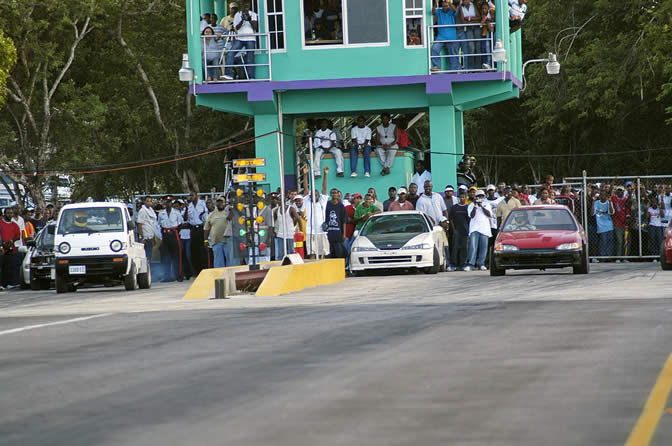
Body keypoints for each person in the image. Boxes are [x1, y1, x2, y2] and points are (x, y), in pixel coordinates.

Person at [223, 1, 258, 80]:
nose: (246, 5)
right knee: (231, 54)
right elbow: (237, 28)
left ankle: (251, 77)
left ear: (250, 5)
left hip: (250, 39)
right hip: (240, 38)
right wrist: (242, 20)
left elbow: (255, 27)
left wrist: (249, 19)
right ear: (242, 6)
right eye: (244, 4)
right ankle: (228, 74)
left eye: (247, 4)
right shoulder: (238, 14)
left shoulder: (253, 14)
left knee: (250, 58)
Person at [302, 165, 330, 259]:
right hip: (310, 232)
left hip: (321, 231)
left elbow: (324, 189)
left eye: (317, 195)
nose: (315, 196)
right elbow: (306, 189)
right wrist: (305, 175)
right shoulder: (307, 201)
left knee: (322, 252)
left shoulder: (322, 202)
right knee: (312, 253)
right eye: (313, 194)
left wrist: (325, 175)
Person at [158, 197, 185, 282]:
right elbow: (159, 224)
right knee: (165, 256)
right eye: (166, 202)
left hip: (174, 234)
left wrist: (175, 231)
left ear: (171, 203)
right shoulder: (161, 214)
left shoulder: (176, 213)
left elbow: (181, 224)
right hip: (165, 234)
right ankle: (167, 276)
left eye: (169, 202)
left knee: (177, 256)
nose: (168, 204)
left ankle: (178, 275)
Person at [465, 189, 492, 271]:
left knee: (483, 248)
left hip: (484, 229)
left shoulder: (487, 204)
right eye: (478, 196)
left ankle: (481, 264)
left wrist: (481, 206)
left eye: (482, 196)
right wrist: (475, 206)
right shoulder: (471, 205)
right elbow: (471, 216)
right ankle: (471, 264)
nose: (480, 198)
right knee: (473, 247)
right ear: (476, 197)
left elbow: (489, 214)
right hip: (474, 229)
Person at [431, 0, 459, 72]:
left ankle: (454, 71)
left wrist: (449, 2)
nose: (445, 7)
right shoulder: (439, 11)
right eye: (443, 6)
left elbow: (454, 10)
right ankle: (437, 66)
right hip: (441, 37)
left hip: (452, 37)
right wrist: (436, 3)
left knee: (453, 54)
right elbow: (433, 12)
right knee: (434, 48)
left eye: (446, 6)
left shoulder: (451, 10)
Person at [204, 195, 231, 268]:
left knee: (230, 260)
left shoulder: (228, 212)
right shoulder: (211, 214)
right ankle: (220, 277)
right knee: (218, 262)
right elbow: (206, 229)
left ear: (225, 203)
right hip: (216, 241)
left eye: (221, 202)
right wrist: (206, 241)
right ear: (216, 204)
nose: (220, 204)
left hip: (228, 241)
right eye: (218, 202)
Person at [186, 191, 209, 276]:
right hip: (193, 229)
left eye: (192, 195)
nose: (190, 197)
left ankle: (204, 270)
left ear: (196, 195)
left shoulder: (202, 204)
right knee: (194, 251)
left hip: (201, 228)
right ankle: (197, 271)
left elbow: (207, 215)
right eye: (189, 196)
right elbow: (188, 219)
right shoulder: (189, 206)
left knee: (202, 251)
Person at [449, 189, 470, 271]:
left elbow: (470, 220)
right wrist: (454, 229)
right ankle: (454, 264)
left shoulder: (468, 207)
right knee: (455, 247)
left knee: (464, 248)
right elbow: (451, 219)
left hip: (465, 231)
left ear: (466, 197)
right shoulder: (454, 208)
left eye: (463, 197)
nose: (462, 198)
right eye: (460, 197)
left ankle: (463, 264)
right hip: (457, 230)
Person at [273, 194, 300, 260]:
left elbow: (297, 218)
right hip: (280, 235)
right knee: (280, 254)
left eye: (281, 200)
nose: (279, 202)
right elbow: (274, 220)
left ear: (285, 201)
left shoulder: (291, 209)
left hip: (289, 234)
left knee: (290, 253)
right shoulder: (276, 211)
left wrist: (294, 225)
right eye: (278, 200)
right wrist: (274, 231)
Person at [0, 208, 21, 289]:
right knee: (2, 267)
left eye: (11, 213)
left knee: (10, 267)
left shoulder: (15, 225)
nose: (10, 215)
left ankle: (10, 283)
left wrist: (11, 241)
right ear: (4, 214)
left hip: (11, 248)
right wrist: (2, 244)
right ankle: (1, 284)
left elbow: (18, 236)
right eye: (8, 213)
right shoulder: (1, 223)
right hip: (1, 249)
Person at [457, 0, 480, 71]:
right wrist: (474, 20)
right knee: (471, 47)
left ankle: (478, 67)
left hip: (477, 27)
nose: (466, 1)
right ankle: (471, 68)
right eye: (464, 0)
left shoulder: (473, 5)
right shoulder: (461, 8)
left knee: (478, 47)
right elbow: (463, 21)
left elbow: (479, 18)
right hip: (468, 28)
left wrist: (470, 19)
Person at [325, 188, 347, 259]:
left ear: (338, 194)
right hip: (328, 233)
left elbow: (344, 220)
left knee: (339, 254)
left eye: (335, 193)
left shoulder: (341, 206)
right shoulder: (327, 204)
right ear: (330, 194)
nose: (334, 194)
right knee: (329, 254)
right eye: (332, 193)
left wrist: (344, 234)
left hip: (338, 233)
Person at [593, 186, 615, 257]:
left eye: (604, 195)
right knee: (603, 241)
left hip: (609, 225)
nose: (603, 197)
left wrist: (610, 202)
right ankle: (602, 256)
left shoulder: (609, 202)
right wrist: (593, 202)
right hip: (601, 226)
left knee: (610, 241)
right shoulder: (596, 203)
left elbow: (611, 212)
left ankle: (609, 256)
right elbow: (591, 213)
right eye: (601, 195)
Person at [136, 196, 157, 263]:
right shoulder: (142, 211)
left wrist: (154, 238)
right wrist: (142, 238)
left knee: (149, 256)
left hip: (150, 236)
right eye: (147, 201)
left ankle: (149, 270)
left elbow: (152, 225)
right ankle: (146, 272)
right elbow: (139, 225)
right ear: (144, 202)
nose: (149, 203)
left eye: (150, 201)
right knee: (145, 257)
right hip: (145, 237)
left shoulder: (151, 210)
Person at [611, 186, 630, 258]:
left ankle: (625, 257)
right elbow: (609, 193)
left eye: (621, 190)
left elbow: (627, 211)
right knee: (619, 241)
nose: (620, 192)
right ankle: (618, 257)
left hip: (625, 225)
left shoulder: (626, 200)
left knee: (626, 241)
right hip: (617, 224)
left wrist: (627, 219)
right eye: (618, 190)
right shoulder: (614, 198)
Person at [344, 193, 362, 268]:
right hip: (347, 233)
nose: (358, 200)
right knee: (346, 250)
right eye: (357, 198)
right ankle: (345, 266)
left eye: (360, 198)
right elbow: (345, 219)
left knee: (352, 250)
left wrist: (352, 220)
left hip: (356, 233)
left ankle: (350, 266)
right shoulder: (347, 208)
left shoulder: (362, 208)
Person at [479, 2, 494, 69]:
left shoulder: (491, 12)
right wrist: (486, 20)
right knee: (486, 48)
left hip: (492, 31)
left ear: (488, 8)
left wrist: (487, 20)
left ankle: (490, 63)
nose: (484, 10)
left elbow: (493, 19)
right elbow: (481, 24)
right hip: (485, 33)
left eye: (485, 8)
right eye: (483, 8)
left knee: (491, 47)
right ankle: (487, 63)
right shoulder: (483, 15)